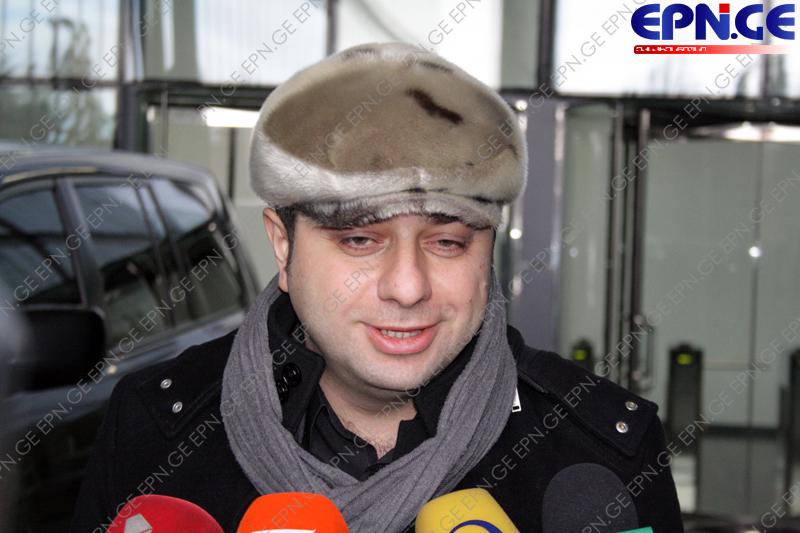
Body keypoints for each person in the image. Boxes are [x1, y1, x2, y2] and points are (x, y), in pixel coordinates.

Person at [71, 42, 683, 532]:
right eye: (360, 240)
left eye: (448, 242)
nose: (408, 287)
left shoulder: (601, 451)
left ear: (488, 250)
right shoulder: (155, 432)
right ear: (283, 246)